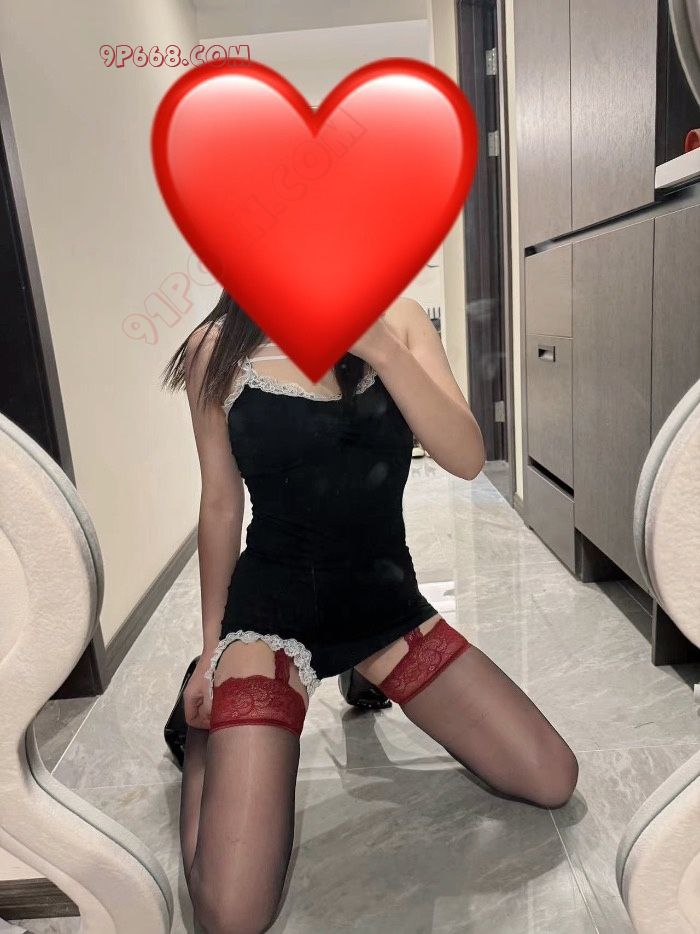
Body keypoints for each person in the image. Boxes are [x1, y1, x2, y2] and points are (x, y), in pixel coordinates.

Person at [161, 290, 578, 934]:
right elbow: (220, 502)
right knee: (232, 916)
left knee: (551, 776)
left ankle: (361, 670)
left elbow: (466, 459)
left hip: (384, 608)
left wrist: (382, 347)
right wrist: (214, 650)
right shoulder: (216, 347)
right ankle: (203, 741)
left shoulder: (400, 320)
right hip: (270, 618)